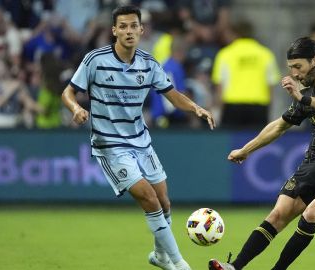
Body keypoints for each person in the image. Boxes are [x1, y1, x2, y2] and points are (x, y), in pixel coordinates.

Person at [61, 6, 215, 270]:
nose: (129, 31)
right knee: (148, 198)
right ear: (114, 31)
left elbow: (172, 94)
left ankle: (160, 256)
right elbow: (68, 92)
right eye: (123, 26)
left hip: (141, 141)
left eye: (134, 26)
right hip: (109, 144)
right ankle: (179, 264)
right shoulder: (95, 60)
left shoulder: (149, 63)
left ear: (142, 30)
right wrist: (76, 109)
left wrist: (195, 107)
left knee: (164, 201)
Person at [208, 37, 315, 270]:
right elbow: (279, 126)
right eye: (291, 68)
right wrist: (246, 150)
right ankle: (235, 267)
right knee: (277, 215)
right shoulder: (306, 94)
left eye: (298, 67)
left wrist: (302, 97)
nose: (294, 74)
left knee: (312, 213)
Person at [211, 19, 280, 129]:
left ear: (235, 33)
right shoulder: (266, 54)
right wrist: (269, 111)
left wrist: (217, 111)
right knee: (256, 143)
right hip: (259, 107)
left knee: (232, 144)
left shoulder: (225, 54)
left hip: (232, 106)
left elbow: (220, 86)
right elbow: (270, 85)